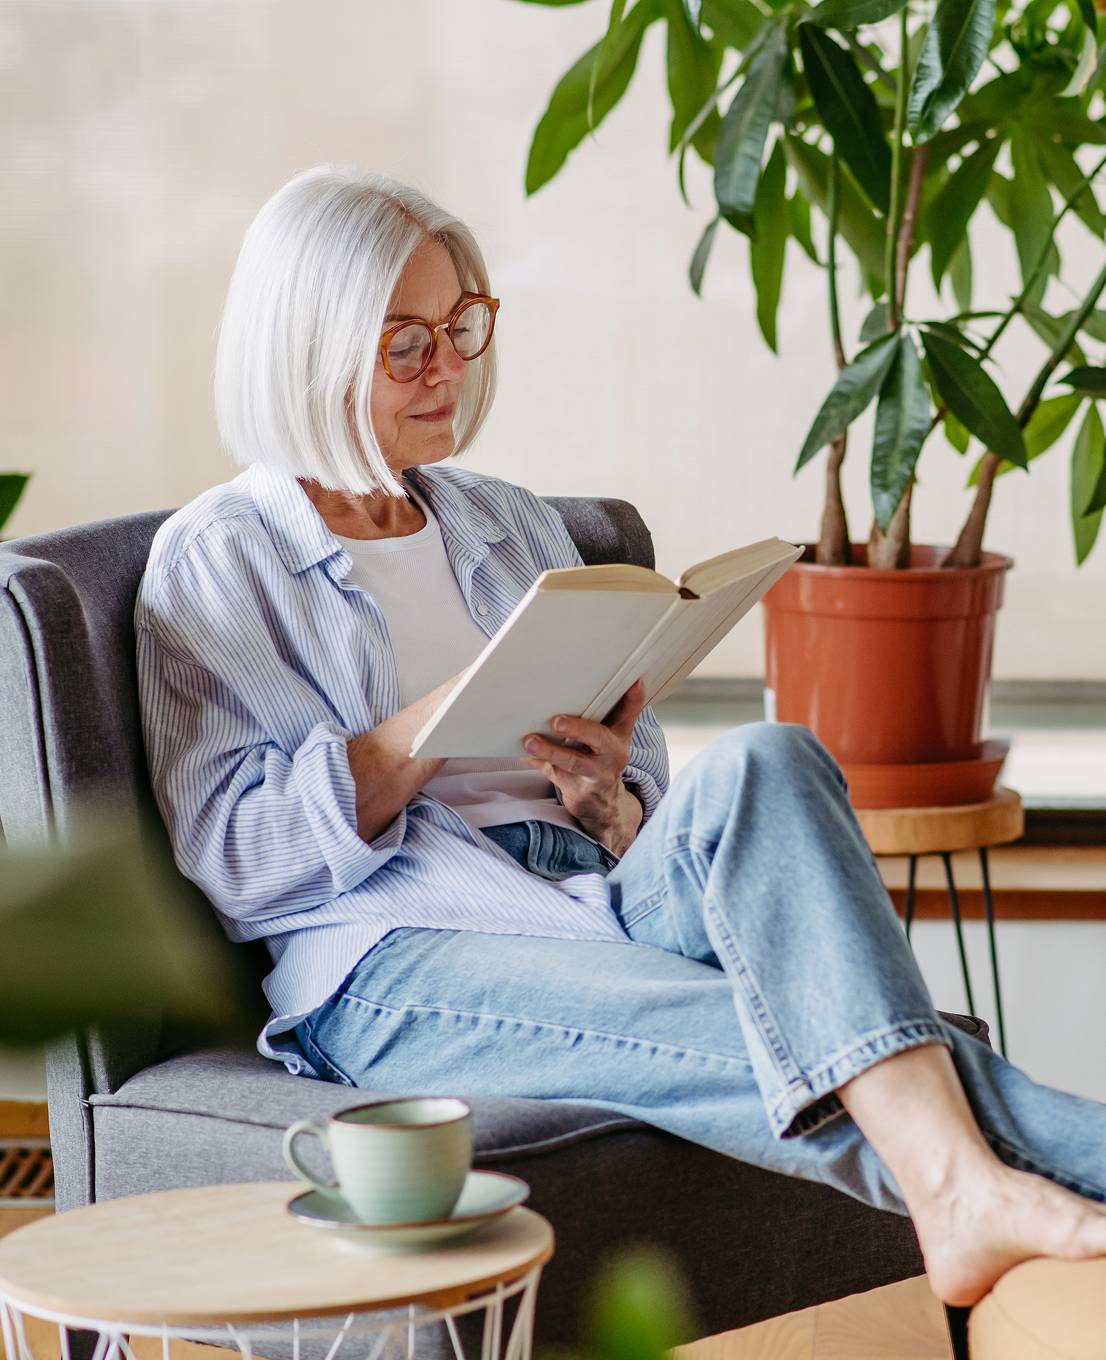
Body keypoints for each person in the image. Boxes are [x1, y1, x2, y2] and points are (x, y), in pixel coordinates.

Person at [136, 164, 1106, 1309]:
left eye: (461, 325)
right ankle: (965, 1184)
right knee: (769, 1023)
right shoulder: (218, 560)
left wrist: (611, 797)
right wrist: (419, 734)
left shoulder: (503, 517)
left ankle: (962, 1196)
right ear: (302, 348)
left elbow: (623, 759)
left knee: (767, 754)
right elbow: (237, 860)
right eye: (406, 344)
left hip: (589, 887)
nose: (449, 366)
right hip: (394, 954)